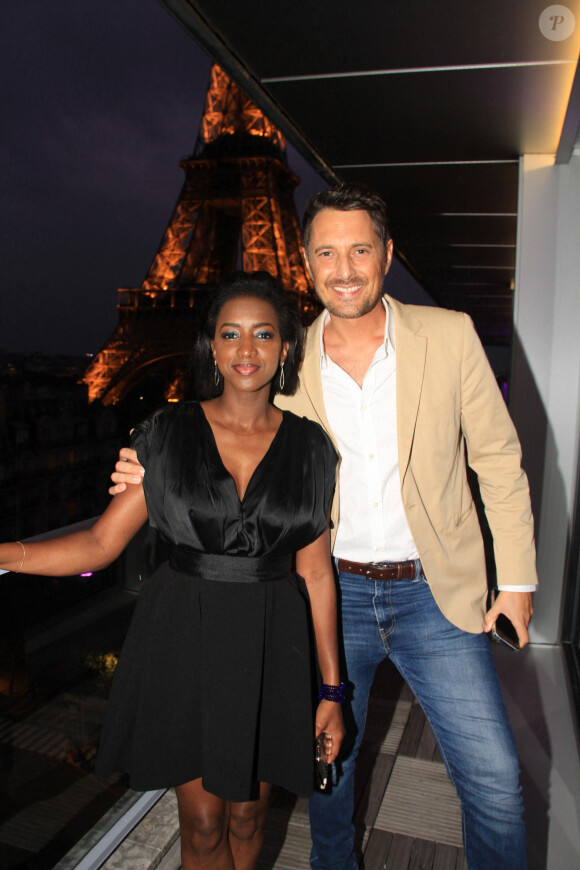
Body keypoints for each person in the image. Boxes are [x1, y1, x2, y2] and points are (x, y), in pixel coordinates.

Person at [110, 185, 537, 870]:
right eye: (328, 253)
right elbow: (229, 428)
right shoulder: (288, 356)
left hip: (436, 595)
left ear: (387, 256)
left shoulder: (448, 334)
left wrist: (515, 579)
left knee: (495, 784)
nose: (344, 268)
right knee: (326, 780)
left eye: (360, 249)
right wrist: (149, 461)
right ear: (306, 263)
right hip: (327, 594)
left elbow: (497, 458)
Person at [1, 272, 344, 870]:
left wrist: (333, 691)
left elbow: (316, 575)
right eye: (229, 333)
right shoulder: (165, 433)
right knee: (206, 823)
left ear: (286, 347)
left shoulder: (312, 448)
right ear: (210, 346)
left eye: (263, 334)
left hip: (272, 643)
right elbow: (100, 544)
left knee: (249, 818)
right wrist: (6, 554)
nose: (246, 350)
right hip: (186, 634)